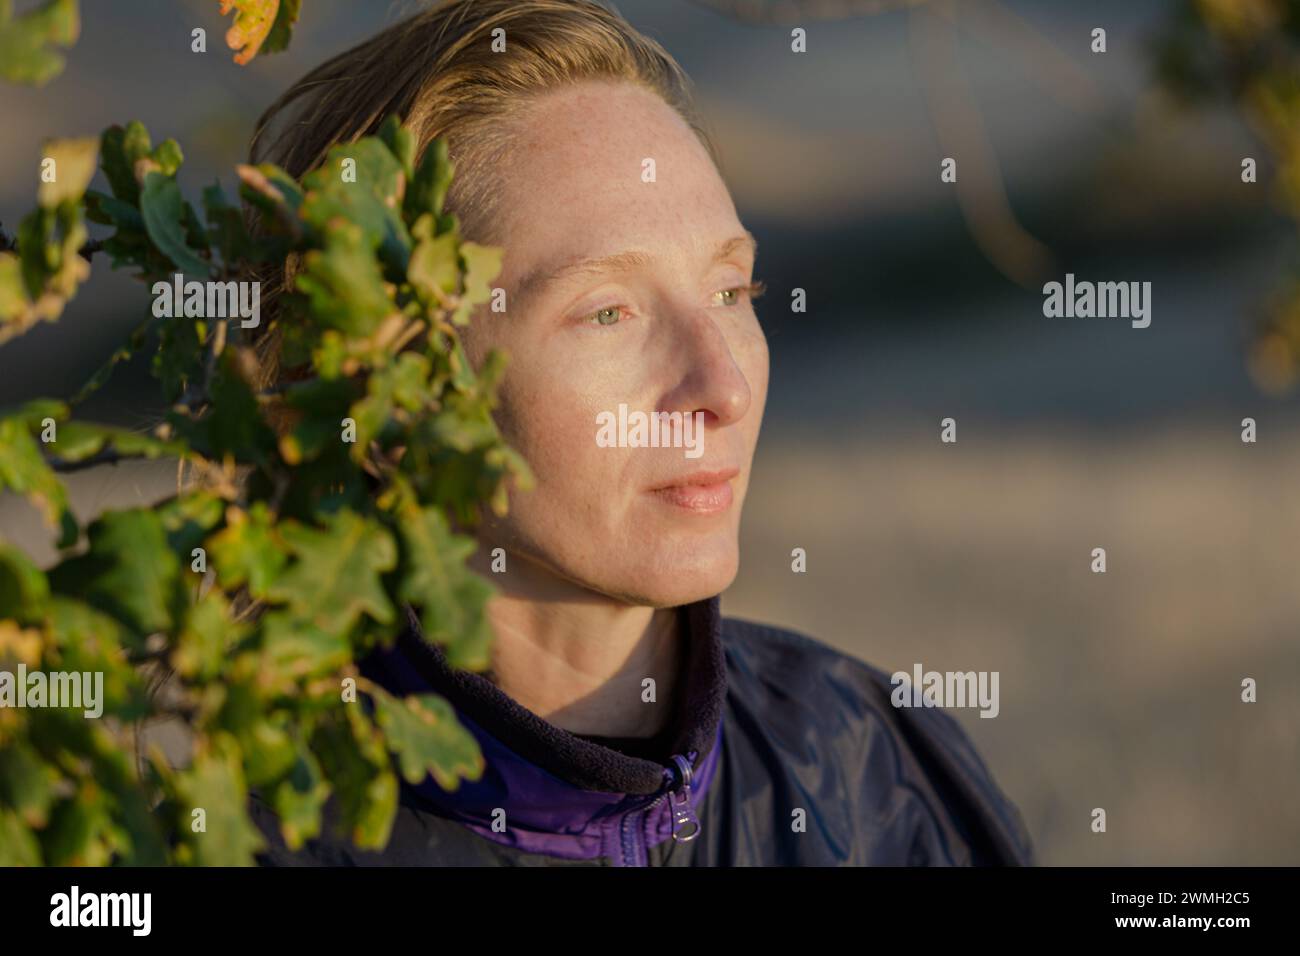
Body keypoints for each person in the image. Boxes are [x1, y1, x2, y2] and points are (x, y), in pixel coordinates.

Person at [246, 0, 1034, 866]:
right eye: (608, 313)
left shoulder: (880, 777)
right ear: (386, 396)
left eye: (732, 292)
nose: (724, 388)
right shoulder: (243, 843)